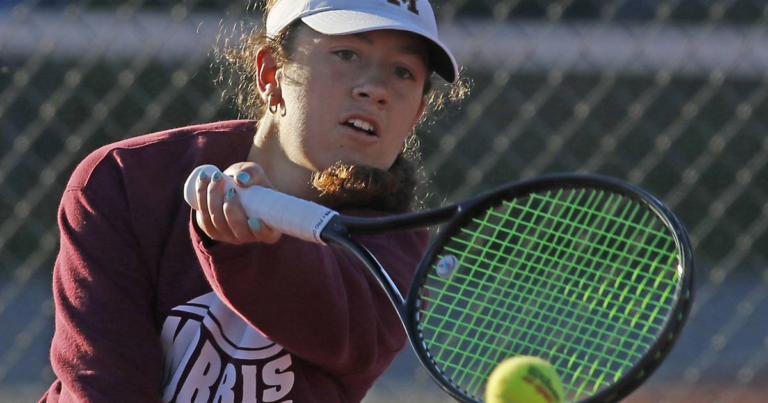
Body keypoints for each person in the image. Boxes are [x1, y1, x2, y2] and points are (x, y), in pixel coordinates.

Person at [41, 0, 467, 401]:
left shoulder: (397, 248)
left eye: (402, 71)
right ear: (271, 74)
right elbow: (103, 382)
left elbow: (343, 336)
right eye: (347, 54)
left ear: (415, 115)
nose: (376, 89)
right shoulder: (126, 181)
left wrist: (252, 251)